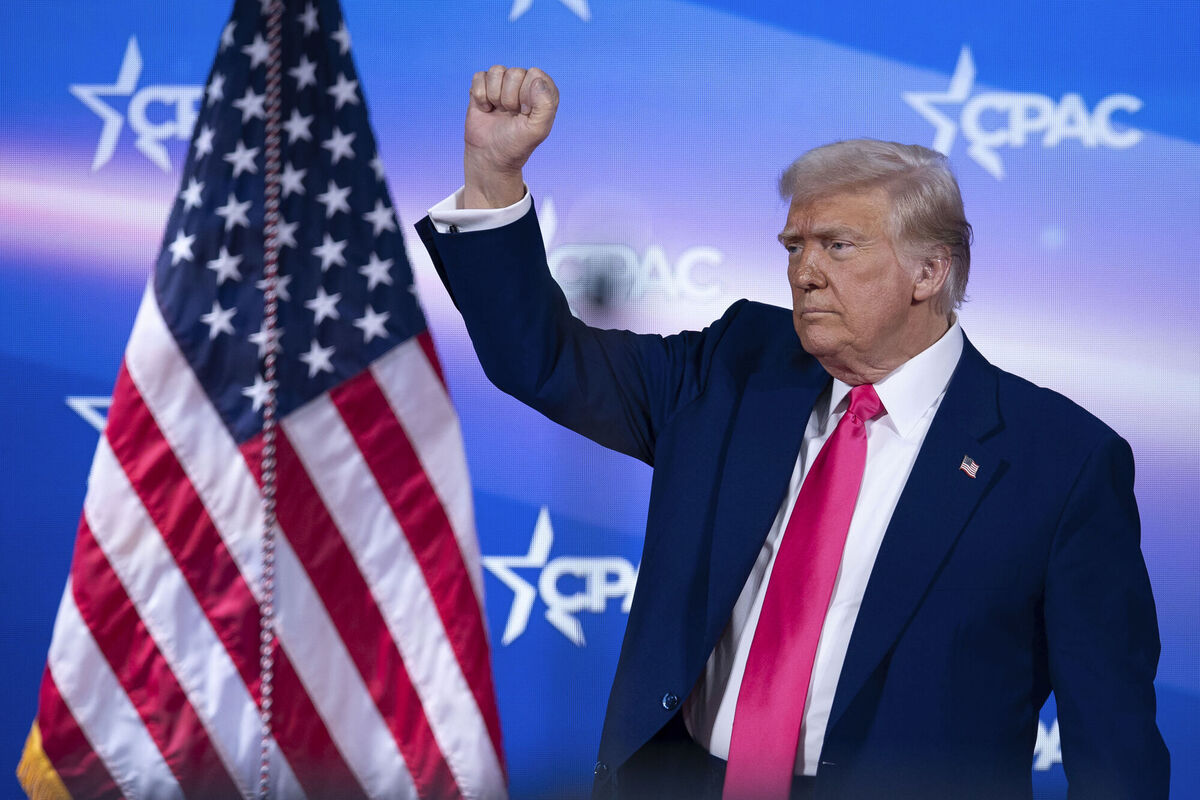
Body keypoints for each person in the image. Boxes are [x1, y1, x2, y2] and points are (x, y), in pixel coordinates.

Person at [415, 66, 1169, 800]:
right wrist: (491, 179)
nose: (804, 272)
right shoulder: (734, 365)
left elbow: (1114, 747)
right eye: (794, 247)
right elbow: (541, 361)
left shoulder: (1060, 464)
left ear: (930, 270)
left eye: (838, 246)